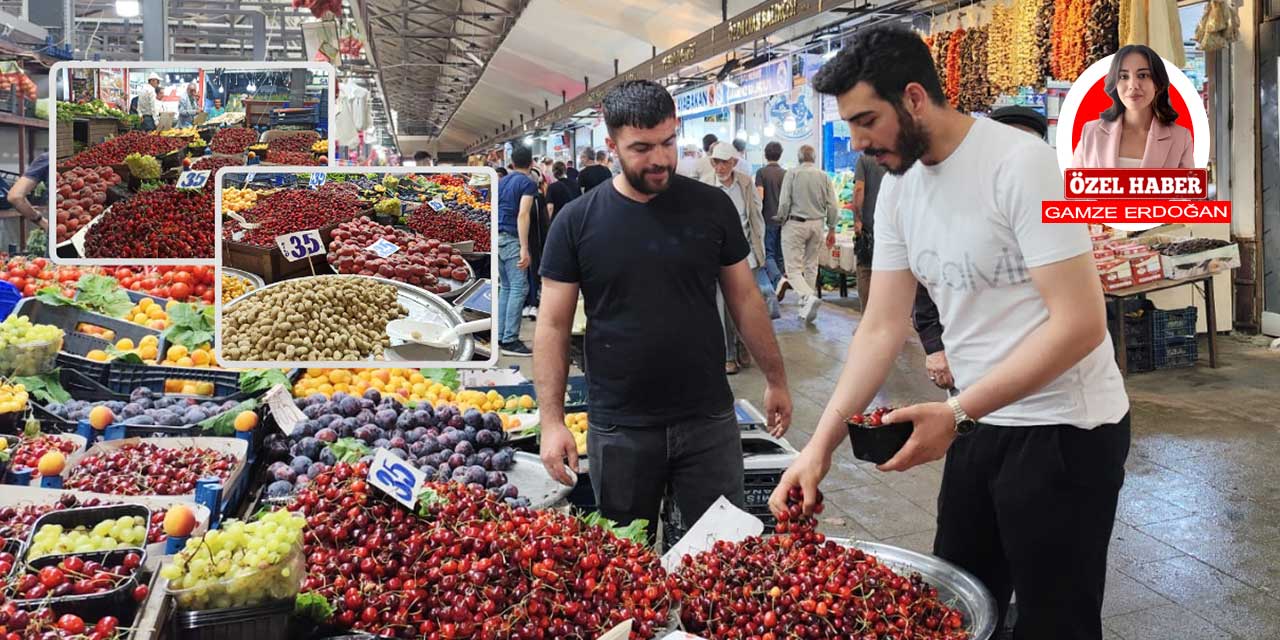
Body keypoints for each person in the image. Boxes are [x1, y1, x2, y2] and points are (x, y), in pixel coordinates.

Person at [769, 27, 1130, 640]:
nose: (857, 141)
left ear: (913, 98)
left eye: (866, 120)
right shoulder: (900, 188)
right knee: (952, 610)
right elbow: (881, 327)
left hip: (1066, 429)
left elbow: (1081, 324)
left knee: (1054, 622)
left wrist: (958, 412)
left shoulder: (1022, 164)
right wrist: (819, 447)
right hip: (978, 423)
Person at [535, 80, 792, 538]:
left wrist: (776, 379)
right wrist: (551, 421)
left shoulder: (712, 208)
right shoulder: (577, 222)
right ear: (611, 145)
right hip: (620, 427)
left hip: (709, 420)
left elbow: (745, 297)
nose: (659, 159)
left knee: (721, 558)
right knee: (623, 565)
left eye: (668, 142)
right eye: (641, 148)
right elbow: (552, 326)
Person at [915, 105, 1052, 391]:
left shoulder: (1052, 211)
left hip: (1043, 372)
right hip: (970, 367)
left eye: (1029, 146)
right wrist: (934, 347)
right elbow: (925, 282)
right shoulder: (949, 207)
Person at [702, 142, 768, 374]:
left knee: (743, 304)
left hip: (745, 253)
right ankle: (728, 354)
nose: (719, 167)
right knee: (721, 305)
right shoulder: (705, 185)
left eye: (724, 162)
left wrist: (760, 251)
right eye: (715, 162)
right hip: (716, 254)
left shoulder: (745, 182)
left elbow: (755, 215)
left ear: (733, 162)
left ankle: (743, 345)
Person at [1073, 44, 1193, 169]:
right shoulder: (1091, 132)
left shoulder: (1180, 138)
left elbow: (1188, 187)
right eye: (1123, 77)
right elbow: (1074, 185)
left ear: (1157, 83)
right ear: (1115, 83)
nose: (1133, 85)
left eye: (1142, 75)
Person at [775, 144, 839, 323]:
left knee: (793, 268)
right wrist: (832, 228)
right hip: (817, 225)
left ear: (799, 157)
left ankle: (807, 296)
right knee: (811, 266)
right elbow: (833, 205)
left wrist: (781, 218)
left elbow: (784, 202)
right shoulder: (824, 175)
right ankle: (806, 308)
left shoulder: (792, 174)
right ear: (815, 157)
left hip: (795, 223)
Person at [495, 146, 537, 356]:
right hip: (511, 238)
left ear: (511, 163)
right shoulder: (528, 183)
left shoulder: (502, 182)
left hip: (497, 238)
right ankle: (510, 340)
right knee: (519, 288)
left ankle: (501, 336)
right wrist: (524, 247)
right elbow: (523, 214)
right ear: (531, 164)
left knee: (507, 288)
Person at [852, 149, 885, 311]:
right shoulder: (897, 159)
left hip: (870, 225)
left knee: (865, 270)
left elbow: (859, 189)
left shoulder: (864, 160)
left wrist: (857, 219)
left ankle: (868, 319)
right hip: (892, 226)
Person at [3, 152, 50, 249]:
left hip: (59, 235)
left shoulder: (47, 158)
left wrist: (41, 221)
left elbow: (15, 196)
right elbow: (15, 196)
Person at [756, 141, 787, 288]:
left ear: (765, 154)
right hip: (783, 219)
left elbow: (760, 195)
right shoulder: (786, 174)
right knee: (780, 255)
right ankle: (779, 286)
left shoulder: (761, 173)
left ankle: (778, 280)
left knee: (768, 254)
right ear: (780, 155)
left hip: (767, 218)